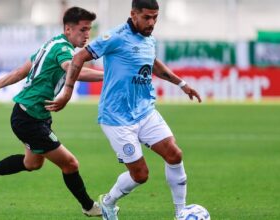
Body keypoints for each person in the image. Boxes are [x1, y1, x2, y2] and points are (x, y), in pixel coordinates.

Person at [46, 0, 202, 219]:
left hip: (145, 111)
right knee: (140, 175)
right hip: (117, 118)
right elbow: (80, 57)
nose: (152, 23)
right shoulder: (116, 37)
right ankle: (108, 202)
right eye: (147, 17)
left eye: (155, 17)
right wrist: (68, 91)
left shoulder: (149, 38)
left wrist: (182, 84)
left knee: (174, 154)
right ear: (133, 14)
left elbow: (153, 62)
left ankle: (181, 212)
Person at [0, 6, 104, 217]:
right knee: (70, 163)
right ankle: (89, 207)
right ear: (68, 29)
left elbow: (24, 69)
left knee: (31, 163)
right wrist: (108, 75)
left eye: (89, 30)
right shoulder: (63, 50)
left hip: (31, 114)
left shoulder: (52, 43)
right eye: (83, 30)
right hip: (29, 119)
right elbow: (72, 68)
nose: (87, 35)